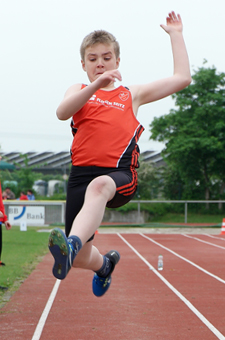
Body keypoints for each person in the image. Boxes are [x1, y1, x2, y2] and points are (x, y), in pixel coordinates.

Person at [48, 11, 191, 297]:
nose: (100, 64)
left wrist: (176, 35)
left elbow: (182, 78)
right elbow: (62, 112)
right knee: (79, 262)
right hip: (80, 177)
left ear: (117, 61)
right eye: (93, 59)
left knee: (99, 186)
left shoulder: (131, 93)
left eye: (106, 57)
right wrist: (95, 87)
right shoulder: (78, 90)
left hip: (118, 176)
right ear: (83, 64)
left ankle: (72, 242)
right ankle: (104, 265)